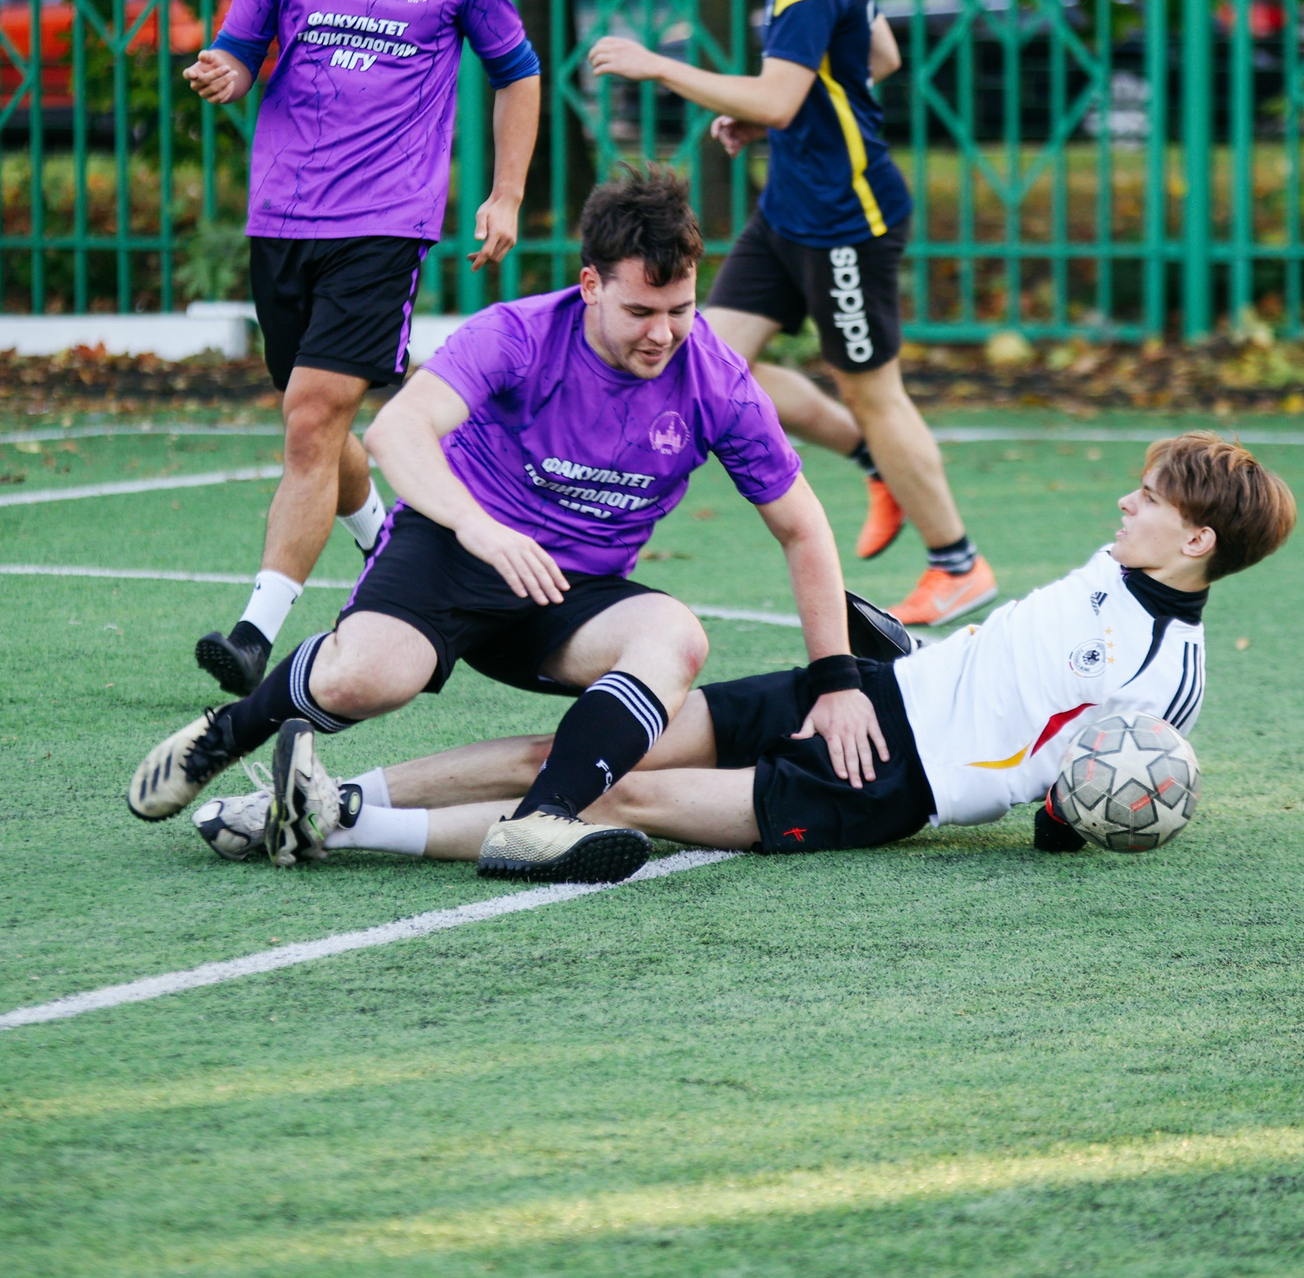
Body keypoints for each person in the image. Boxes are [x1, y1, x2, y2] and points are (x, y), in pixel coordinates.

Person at [128, 168, 883, 883]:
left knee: (676, 634)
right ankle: (226, 733)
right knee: (371, 677)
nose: (663, 333)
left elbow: (802, 526)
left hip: (568, 590)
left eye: (680, 310)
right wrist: (479, 527)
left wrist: (837, 681)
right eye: (640, 312)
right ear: (589, 285)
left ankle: (541, 821)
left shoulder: (716, 377)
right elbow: (397, 432)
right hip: (450, 548)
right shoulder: (520, 333)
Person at [196, 432, 1295, 873]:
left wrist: (1082, 810)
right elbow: (1020, 670)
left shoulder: (1168, 676)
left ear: (1196, 542)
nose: (1124, 501)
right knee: (581, 744)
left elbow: (1063, 799)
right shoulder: (1116, 566)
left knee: (623, 802)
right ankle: (325, 788)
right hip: (866, 692)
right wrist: (902, 657)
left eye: (1146, 500)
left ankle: (339, 825)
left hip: (887, 779)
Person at [584, 0, 997, 629]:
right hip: (790, 208)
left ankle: (958, 562)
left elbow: (780, 93)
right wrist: (787, 107)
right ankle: (874, 465)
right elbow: (877, 51)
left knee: (875, 389)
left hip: (847, 217)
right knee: (705, 352)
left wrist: (661, 66)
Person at [183, 0, 544, 693]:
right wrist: (226, 68)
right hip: (281, 218)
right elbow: (240, 41)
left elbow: (519, 73)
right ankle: (386, 540)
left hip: (386, 225)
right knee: (318, 422)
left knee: (311, 418)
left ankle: (255, 632)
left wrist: (504, 195)